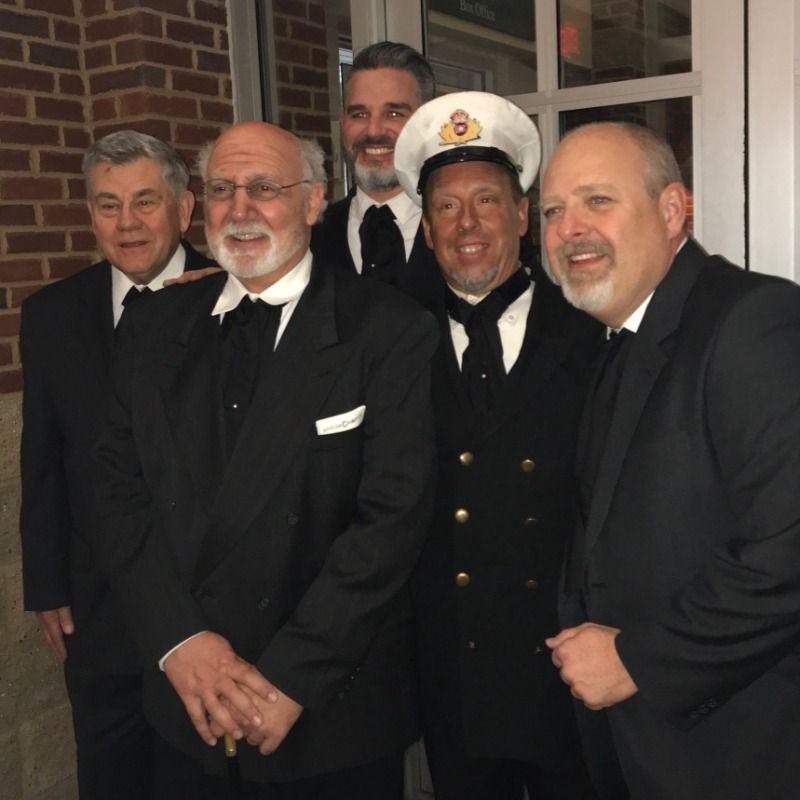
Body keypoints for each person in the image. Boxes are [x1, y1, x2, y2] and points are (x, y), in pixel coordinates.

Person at [91, 120, 438, 799]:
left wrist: (289, 677)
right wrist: (179, 643)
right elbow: (115, 496)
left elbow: (390, 523)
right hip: (186, 696)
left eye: (264, 188)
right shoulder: (153, 325)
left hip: (326, 705)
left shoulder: (388, 329)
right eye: (223, 188)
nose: (241, 208)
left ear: (313, 202)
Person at [542, 121, 800, 800]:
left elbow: (790, 549)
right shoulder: (618, 336)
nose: (570, 228)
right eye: (552, 210)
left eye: (597, 201)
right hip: (650, 747)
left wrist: (638, 661)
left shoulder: (754, 320)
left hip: (740, 752)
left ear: (673, 210)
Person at [393, 91, 602, 800]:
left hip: (567, 666)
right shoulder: (389, 338)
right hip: (454, 671)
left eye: (487, 200)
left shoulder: (591, 329)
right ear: (426, 230)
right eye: (446, 208)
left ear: (522, 213)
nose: (468, 224)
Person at [19, 129, 214, 799]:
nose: (126, 223)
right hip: (98, 607)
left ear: (184, 209)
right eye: (107, 205)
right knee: (110, 775)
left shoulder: (234, 297)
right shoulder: (50, 315)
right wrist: (47, 583)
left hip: (205, 603)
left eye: (144, 202)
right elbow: (43, 456)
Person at [310, 41, 443, 309]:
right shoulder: (306, 237)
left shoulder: (460, 227)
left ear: (426, 125)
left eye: (393, 113)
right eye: (359, 114)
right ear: (342, 123)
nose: (373, 131)